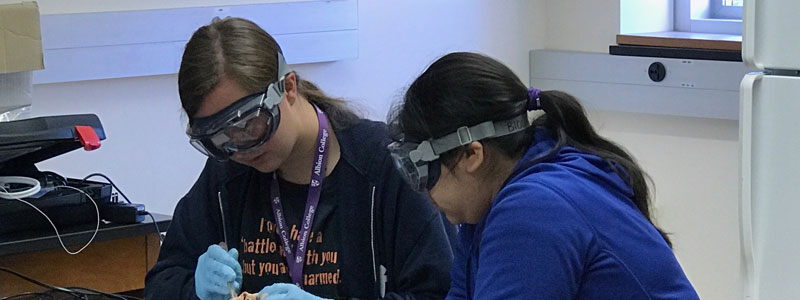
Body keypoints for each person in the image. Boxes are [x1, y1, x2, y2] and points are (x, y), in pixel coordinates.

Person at [144, 17, 453, 300]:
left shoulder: (383, 166)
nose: (241, 149)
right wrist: (192, 292)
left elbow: (441, 293)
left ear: (288, 87)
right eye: (219, 139)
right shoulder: (228, 174)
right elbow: (161, 282)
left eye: (250, 124)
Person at [387, 52, 700, 300]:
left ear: (472, 155)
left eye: (424, 172)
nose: (424, 192)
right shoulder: (490, 198)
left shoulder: (533, 210)